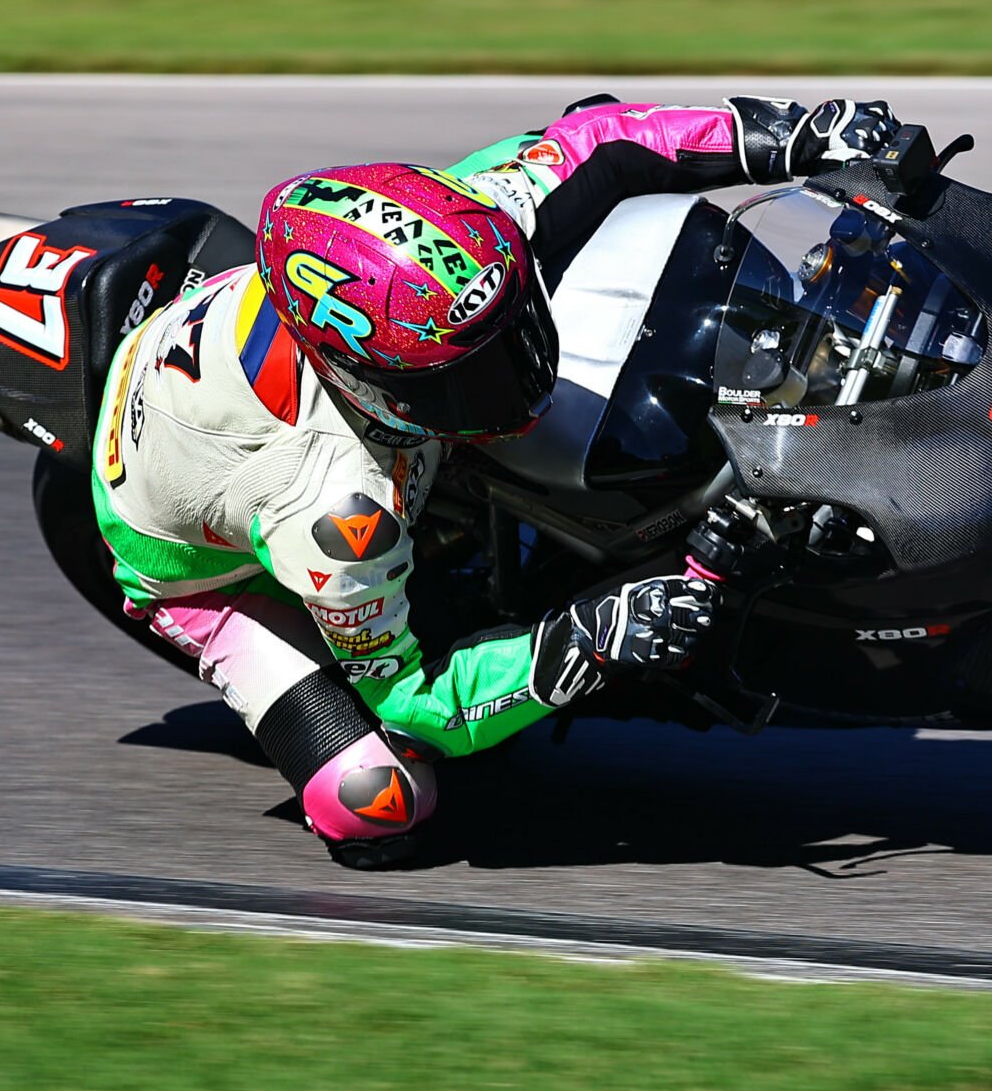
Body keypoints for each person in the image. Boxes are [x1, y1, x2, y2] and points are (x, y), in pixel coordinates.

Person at [90, 95, 901, 867]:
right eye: (462, 381)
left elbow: (606, 141)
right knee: (376, 800)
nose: (514, 384)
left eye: (509, 337)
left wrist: (791, 132)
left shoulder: (461, 232)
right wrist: (584, 636)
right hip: (204, 565)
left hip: (235, 384)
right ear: (361, 377)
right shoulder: (335, 510)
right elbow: (415, 700)